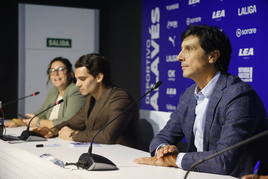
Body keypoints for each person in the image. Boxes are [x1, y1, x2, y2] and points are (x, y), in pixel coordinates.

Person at [134, 25, 268, 178]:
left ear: (213, 56)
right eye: (181, 49)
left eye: (188, 49)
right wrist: (163, 150)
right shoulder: (189, 94)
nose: (179, 56)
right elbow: (163, 136)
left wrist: (174, 159)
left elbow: (224, 161)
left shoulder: (239, 96)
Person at [41, 53, 138, 148]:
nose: (77, 84)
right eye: (76, 79)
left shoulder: (120, 98)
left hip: (124, 158)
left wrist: (74, 135)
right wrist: (53, 130)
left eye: (82, 79)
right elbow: (72, 122)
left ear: (99, 77)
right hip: (99, 153)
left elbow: (107, 136)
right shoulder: (90, 98)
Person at [5, 57, 85, 128]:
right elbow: (40, 114)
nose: (55, 73)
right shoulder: (53, 91)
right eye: (52, 70)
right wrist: (17, 122)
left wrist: (39, 123)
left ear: (70, 73)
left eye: (61, 69)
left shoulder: (75, 90)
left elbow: (68, 121)